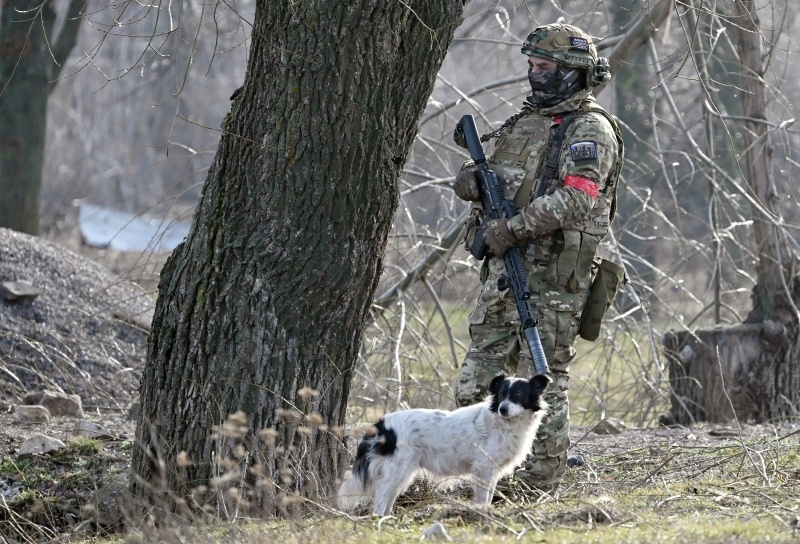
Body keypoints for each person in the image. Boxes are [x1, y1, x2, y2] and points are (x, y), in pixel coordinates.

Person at [452, 23, 625, 491]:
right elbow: (497, 178)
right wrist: (471, 180)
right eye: (531, 65)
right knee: (476, 383)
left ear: (572, 72)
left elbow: (577, 199)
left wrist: (511, 230)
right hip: (503, 276)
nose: (535, 74)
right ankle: (478, 477)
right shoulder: (526, 122)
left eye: (544, 66)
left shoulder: (589, 129)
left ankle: (537, 483)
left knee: (543, 381)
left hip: (553, 282)